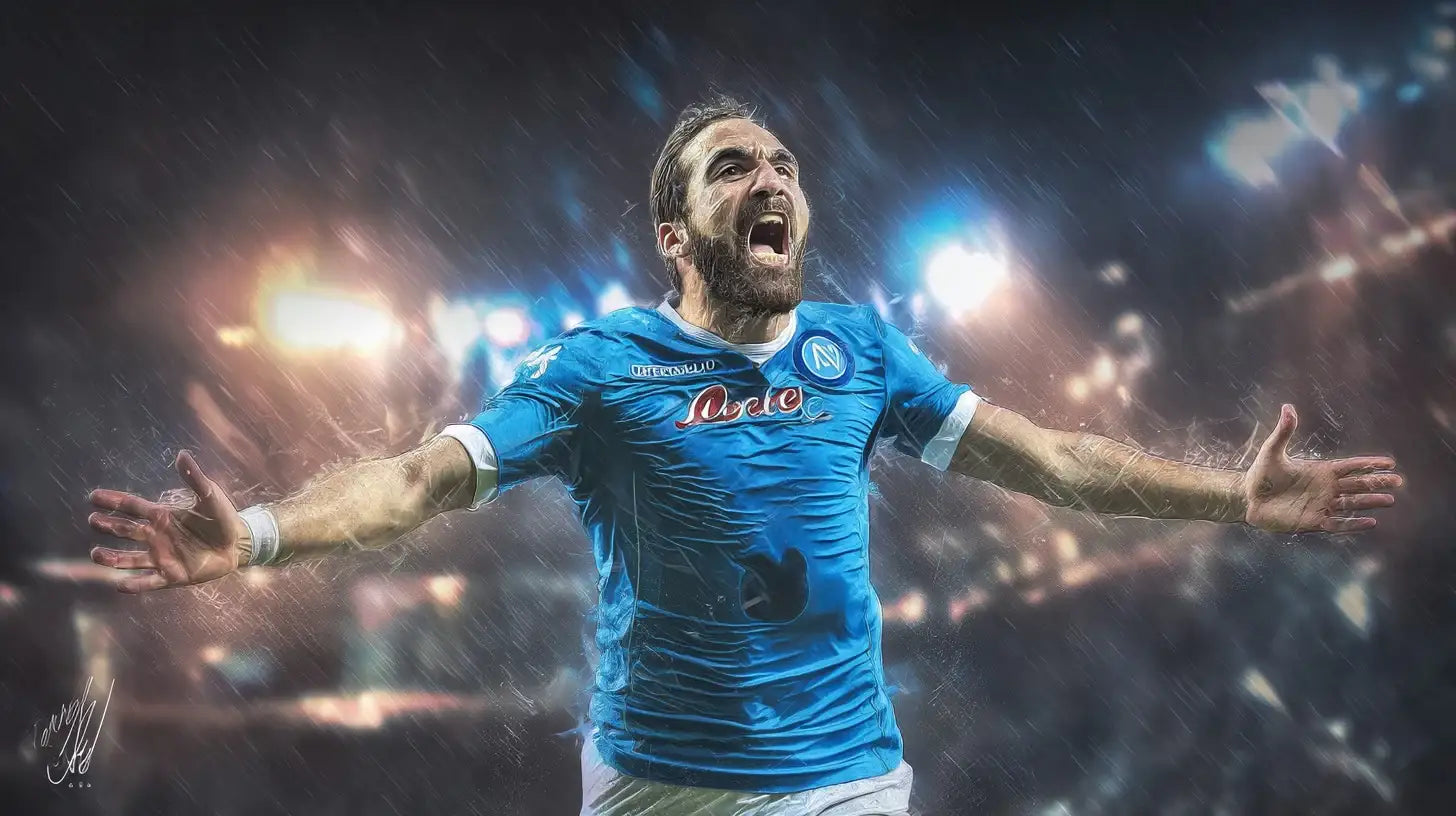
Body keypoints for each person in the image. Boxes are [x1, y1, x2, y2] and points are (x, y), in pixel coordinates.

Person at [86, 95, 1406, 816]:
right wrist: (256, 535)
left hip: (844, 785)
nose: (770, 179)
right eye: (730, 168)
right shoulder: (598, 369)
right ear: (677, 230)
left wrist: (1235, 490)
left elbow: (1054, 460)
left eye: (781, 161)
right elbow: (415, 482)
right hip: (661, 790)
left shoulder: (860, 354)